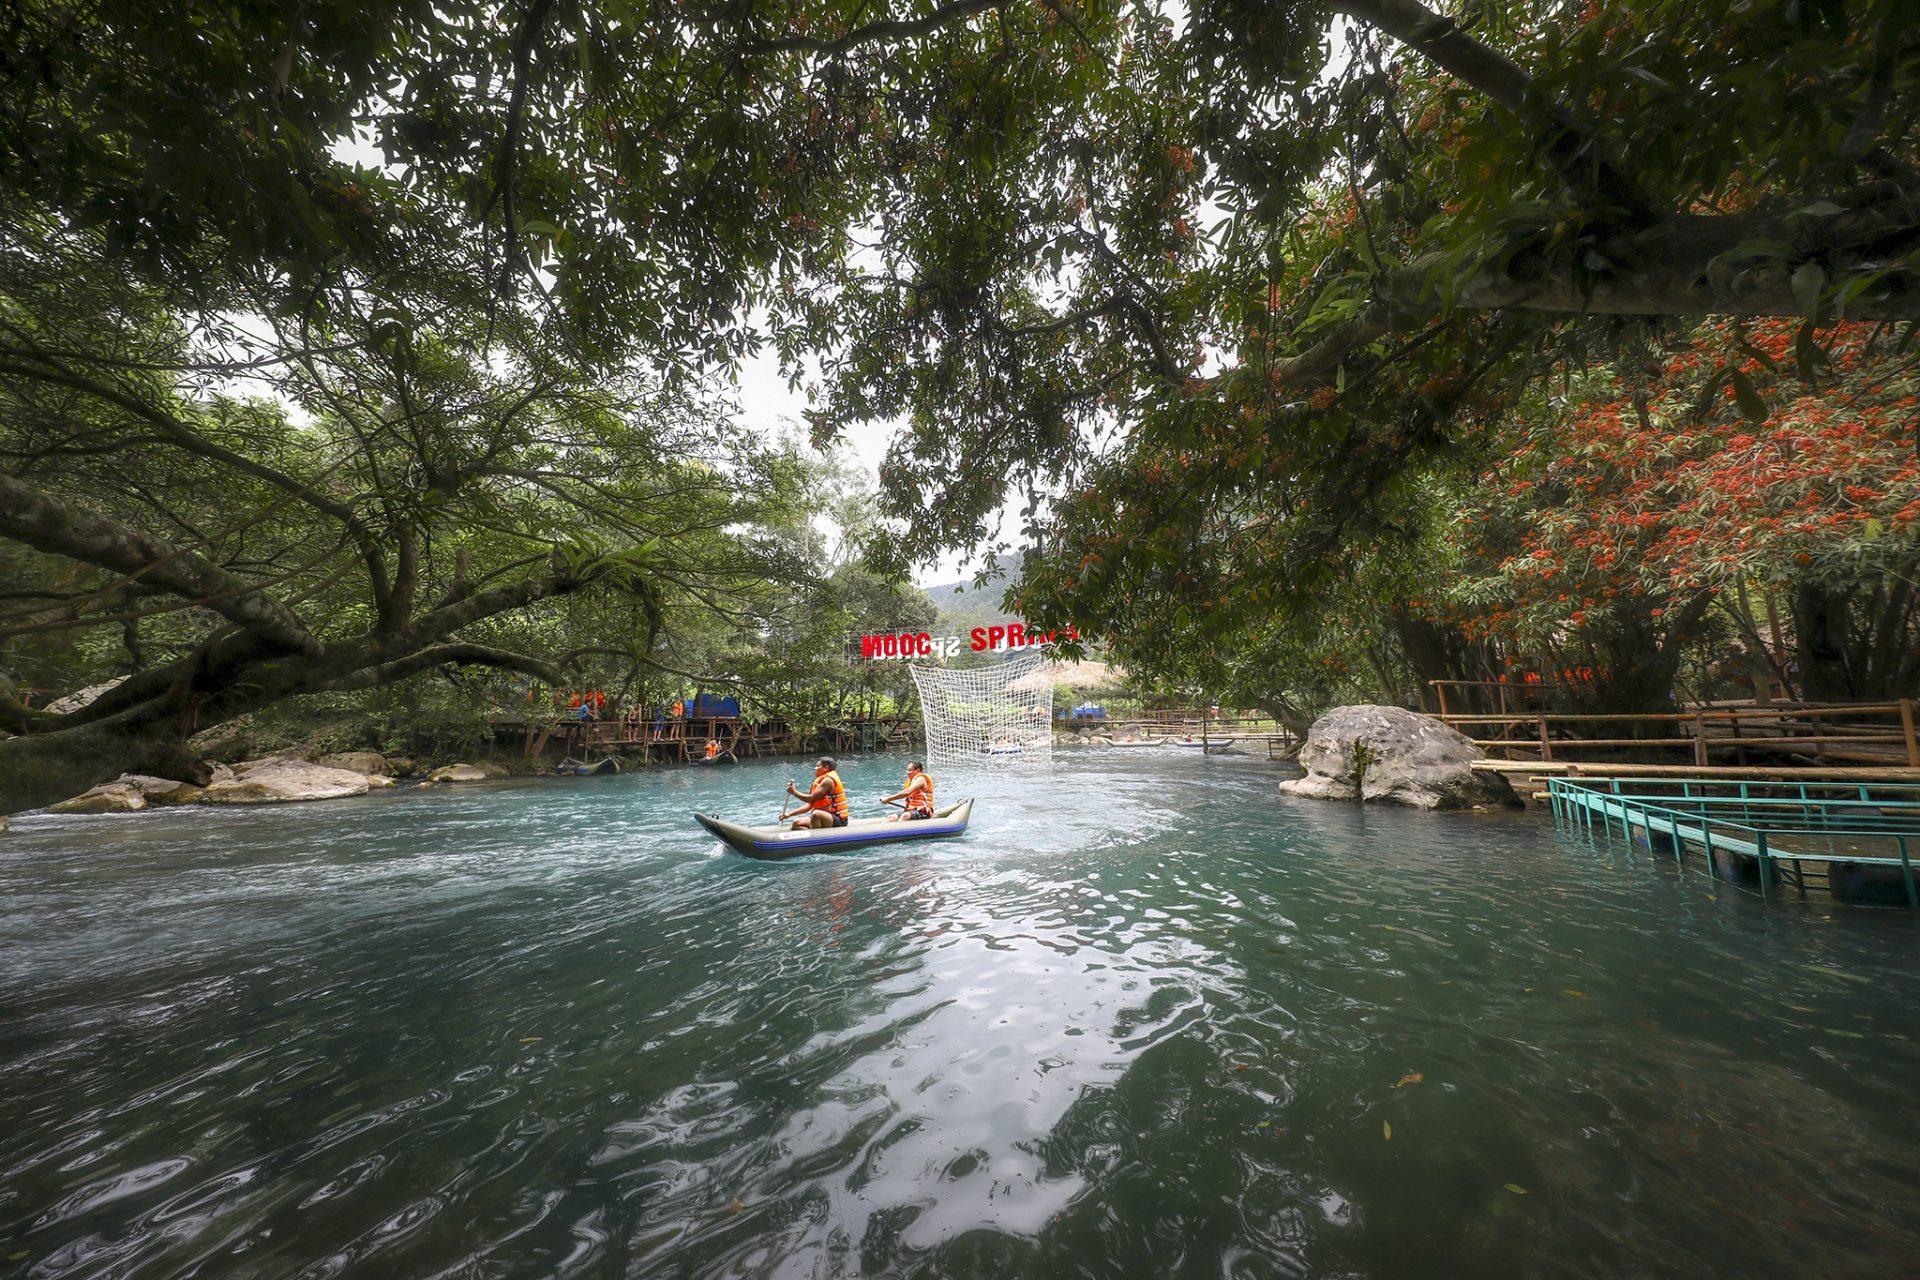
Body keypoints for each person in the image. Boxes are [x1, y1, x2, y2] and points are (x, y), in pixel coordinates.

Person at [784, 757, 849, 830]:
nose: (815, 768)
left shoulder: (828, 781)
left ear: (826, 768)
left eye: (818, 766)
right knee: (796, 823)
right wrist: (789, 814)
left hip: (838, 819)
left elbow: (810, 798)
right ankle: (812, 835)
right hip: (825, 817)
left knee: (816, 814)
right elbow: (810, 804)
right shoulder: (821, 781)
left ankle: (816, 838)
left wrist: (794, 792)